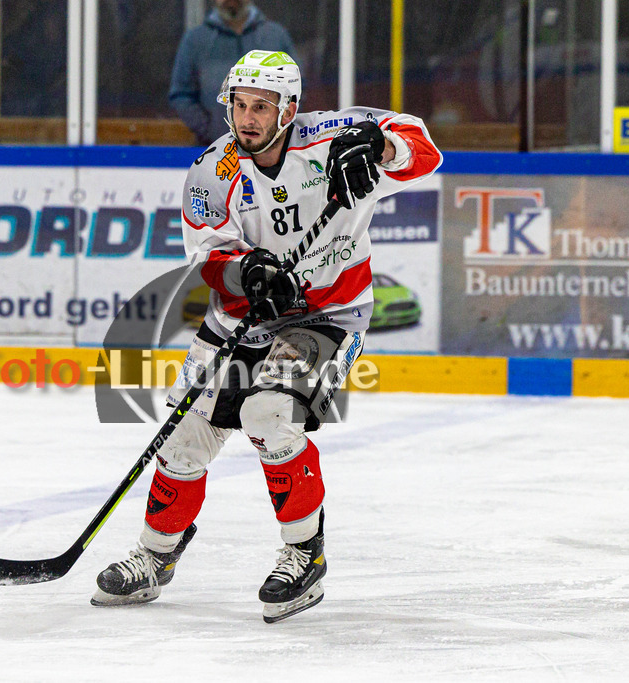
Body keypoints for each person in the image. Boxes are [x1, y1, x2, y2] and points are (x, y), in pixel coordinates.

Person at [92, 50, 442, 622]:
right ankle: (154, 557)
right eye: (239, 104)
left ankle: (304, 555)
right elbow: (207, 254)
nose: (248, 117)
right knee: (185, 436)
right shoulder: (214, 169)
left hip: (329, 314)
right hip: (242, 316)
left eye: (262, 106)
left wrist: (380, 148)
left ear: (289, 110)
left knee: (269, 415)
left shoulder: (332, 141)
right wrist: (245, 272)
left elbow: (424, 148)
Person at [169, 0, 295, 145]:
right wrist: (209, 129)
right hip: (213, 148)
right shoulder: (195, 40)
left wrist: (276, 126)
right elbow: (181, 94)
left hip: (271, 149)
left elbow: (295, 87)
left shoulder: (275, 36)